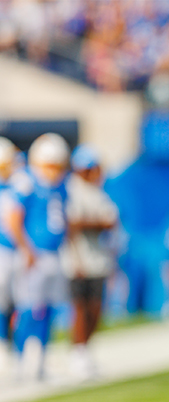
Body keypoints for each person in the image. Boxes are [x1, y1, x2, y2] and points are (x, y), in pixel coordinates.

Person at [8, 133, 70, 381]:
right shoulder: (27, 181)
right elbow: (13, 219)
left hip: (54, 254)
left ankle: (41, 359)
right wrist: (26, 250)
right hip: (34, 255)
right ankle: (19, 360)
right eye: (50, 165)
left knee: (50, 309)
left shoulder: (62, 185)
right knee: (28, 309)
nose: (54, 171)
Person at [61, 144, 118, 379]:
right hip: (78, 260)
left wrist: (90, 222)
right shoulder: (71, 190)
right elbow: (71, 226)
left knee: (95, 308)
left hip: (98, 259)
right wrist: (76, 260)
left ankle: (84, 349)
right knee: (79, 308)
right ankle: (78, 352)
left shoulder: (98, 192)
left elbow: (110, 221)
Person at [0, 137, 21, 370]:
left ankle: (14, 344)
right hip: (3, 250)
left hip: (14, 250)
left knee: (16, 301)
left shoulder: (18, 185)